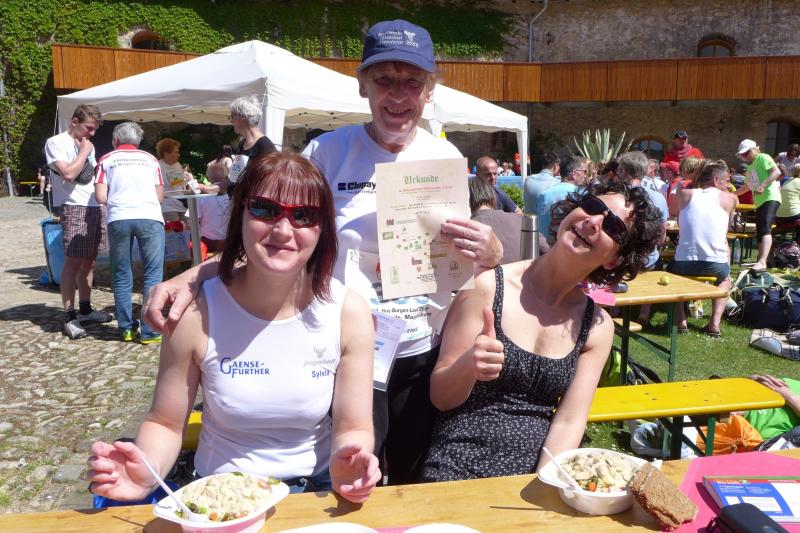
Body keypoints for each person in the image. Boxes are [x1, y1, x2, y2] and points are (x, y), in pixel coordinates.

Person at [143, 19, 503, 486]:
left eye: (413, 81)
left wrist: (492, 249)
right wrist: (192, 276)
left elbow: (466, 248)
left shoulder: (446, 157)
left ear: (430, 90)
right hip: (340, 345)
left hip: (419, 343)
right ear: (362, 85)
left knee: (412, 475)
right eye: (384, 79)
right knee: (352, 472)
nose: (398, 94)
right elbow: (282, 237)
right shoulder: (329, 152)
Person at [87, 152, 380, 504]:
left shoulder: (347, 312)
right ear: (240, 212)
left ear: (323, 229)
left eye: (304, 215)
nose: (283, 230)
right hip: (220, 492)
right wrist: (145, 472)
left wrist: (351, 459)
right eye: (265, 209)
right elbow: (165, 422)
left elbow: (353, 426)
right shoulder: (196, 311)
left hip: (313, 491)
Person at [422, 180, 663, 480]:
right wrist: (469, 364)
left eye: (613, 227)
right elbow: (440, 397)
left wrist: (545, 484)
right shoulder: (487, 287)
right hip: (457, 466)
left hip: (537, 476)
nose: (593, 222)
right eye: (593, 207)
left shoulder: (596, 327)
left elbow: (570, 420)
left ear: (615, 259)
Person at [44, 104, 113, 340]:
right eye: (88, 128)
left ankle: (85, 309)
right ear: (74, 121)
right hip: (74, 206)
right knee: (72, 262)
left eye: (94, 130)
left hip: (95, 206)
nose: (91, 134)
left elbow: (90, 176)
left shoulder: (87, 144)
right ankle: (69, 315)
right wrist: (83, 151)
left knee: (90, 261)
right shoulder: (56, 142)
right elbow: (69, 174)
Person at [94, 122, 165, 344]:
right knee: (152, 273)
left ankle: (126, 328)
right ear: (138, 140)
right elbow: (160, 197)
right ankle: (150, 331)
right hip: (149, 216)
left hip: (119, 217)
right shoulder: (150, 159)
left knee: (122, 273)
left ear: (116, 140)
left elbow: (100, 196)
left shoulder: (106, 159)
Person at [668, 160, 737, 337]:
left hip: (684, 262)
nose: (728, 185)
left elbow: (678, 220)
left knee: (672, 275)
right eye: (726, 181)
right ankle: (714, 323)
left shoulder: (684, 194)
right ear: (716, 180)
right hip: (715, 263)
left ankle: (681, 320)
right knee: (725, 280)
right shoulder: (730, 198)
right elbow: (726, 228)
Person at [734, 139, 782, 271]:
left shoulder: (763, 157)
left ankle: (762, 261)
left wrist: (763, 185)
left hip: (770, 198)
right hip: (760, 202)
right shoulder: (750, 167)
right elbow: (747, 187)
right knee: (760, 231)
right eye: (743, 155)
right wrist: (732, 194)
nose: (745, 156)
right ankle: (761, 261)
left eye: (746, 153)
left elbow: (776, 172)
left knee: (765, 228)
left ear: (755, 149)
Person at [227, 95, 277, 189]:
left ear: (243, 116)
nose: (231, 121)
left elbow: (272, 181)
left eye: (232, 116)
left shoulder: (265, 146)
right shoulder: (242, 143)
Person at [469, 177, 522, 264]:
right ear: (494, 199)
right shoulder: (521, 221)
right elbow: (545, 250)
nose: (493, 177)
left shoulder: (464, 229)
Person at [535, 154, 587, 236]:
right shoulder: (581, 195)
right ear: (574, 174)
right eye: (584, 171)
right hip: (565, 242)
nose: (585, 175)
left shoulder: (544, 194)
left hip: (542, 241)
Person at [156, 138, 189, 223]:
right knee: (175, 229)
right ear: (166, 153)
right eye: (176, 152)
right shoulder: (157, 166)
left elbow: (178, 185)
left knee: (190, 226)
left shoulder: (178, 165)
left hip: (181, 204)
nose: (178, 155)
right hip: (167, 206)